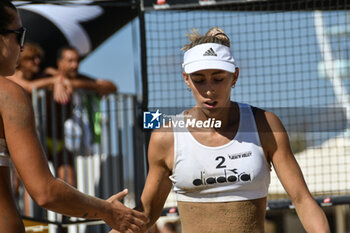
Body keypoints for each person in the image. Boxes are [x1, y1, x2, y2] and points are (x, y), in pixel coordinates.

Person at [113, 27, 330, 232]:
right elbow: (146, 215)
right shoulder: (166, 137)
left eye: (218, 79)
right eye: (199, 80)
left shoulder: (265, 124)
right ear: (186, 79)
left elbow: (302, 200)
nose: (209, 90)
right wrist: (109, 214)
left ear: (234, 76)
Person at [0, 1, 148, 232]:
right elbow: (46, 192)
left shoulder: (47, 80)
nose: (22, 46)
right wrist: (107, 210)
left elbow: (105, 85)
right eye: (20, 35)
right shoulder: (8, 95)